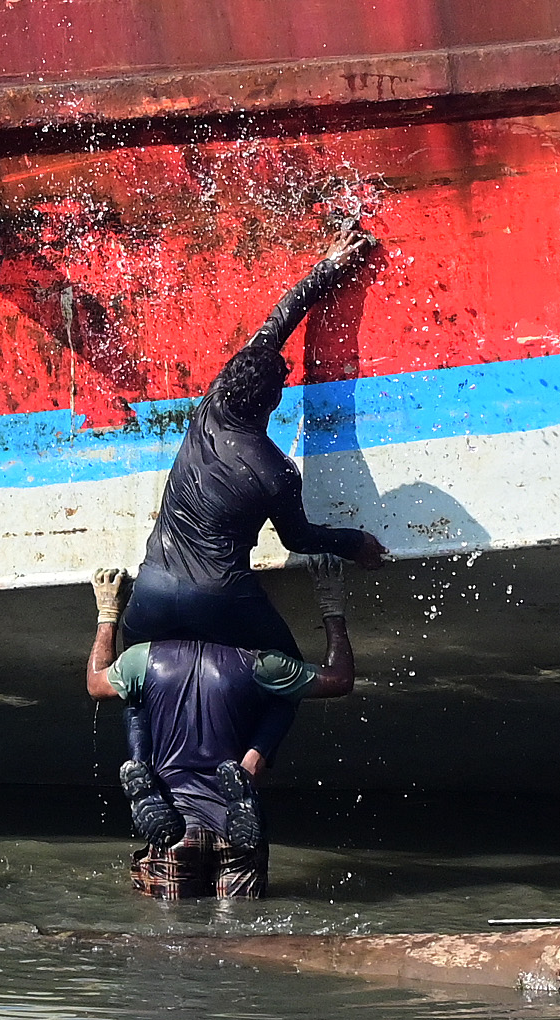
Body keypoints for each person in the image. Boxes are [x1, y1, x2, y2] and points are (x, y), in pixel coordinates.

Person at [116, 228, 386, 842]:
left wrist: (325, 266)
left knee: (136, 677)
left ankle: (137, 763)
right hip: (223, 599)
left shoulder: (209, 407)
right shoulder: (275, 471)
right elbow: (298, 539)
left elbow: (278, 320)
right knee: (291, 673)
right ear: (276, 400)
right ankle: (248, 767)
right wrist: (354, 542)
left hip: (155, 590)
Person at [88, 562, 356, 899]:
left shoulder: (143, 658)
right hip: (234, 828)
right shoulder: (262, 663)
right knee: (285, 698)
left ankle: (146, 774)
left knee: (135, 702)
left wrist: (108, 614)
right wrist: (332, 608)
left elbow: (96, 683)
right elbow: (340, 679)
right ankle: (249, 767)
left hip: (176, 826)